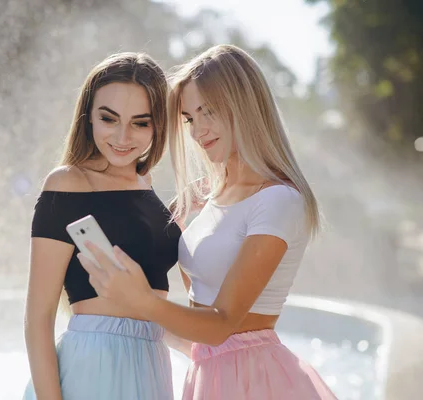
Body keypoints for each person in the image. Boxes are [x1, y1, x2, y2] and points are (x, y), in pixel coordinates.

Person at [78, 45, 338, 399]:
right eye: (188, 118)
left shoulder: (279, 200)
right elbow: (197, 311)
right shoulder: (213, 199)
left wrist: (142, 300)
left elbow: (220, 325)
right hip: (211, 374)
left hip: (253, 380)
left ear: (244, 107)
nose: (198, 131)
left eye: (208, 112)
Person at [23, 52, 182, 400]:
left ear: (159, 124)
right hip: (94, 364)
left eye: (141, 122)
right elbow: (39, 317)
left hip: (152, 362)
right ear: (88, 118)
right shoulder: (68, 184)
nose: (123, 137)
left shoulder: (146, 185)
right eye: (109, 119)